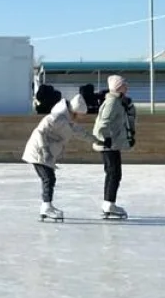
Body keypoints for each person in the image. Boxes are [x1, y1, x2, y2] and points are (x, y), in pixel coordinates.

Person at [23, 94, 102, 221]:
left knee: (49, 179)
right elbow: (39, 131)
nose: (82, 118)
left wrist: (96, 140)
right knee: (48, 179)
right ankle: (46, 207)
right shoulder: (56, 117)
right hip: (38, 152)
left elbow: (81, 133)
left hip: (46, 153)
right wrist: (44, 150)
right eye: (81, 115)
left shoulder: (68, 121)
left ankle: (47, 206)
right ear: (75, 112)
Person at [92, 75, 133, 219]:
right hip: (108, 144)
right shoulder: (112, 102)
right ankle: (109, 203)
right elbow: (103, 122)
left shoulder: (117, 101)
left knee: (113, 173)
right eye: (124, 84)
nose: (127, 86)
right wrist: (106, 138)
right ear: (117, 87)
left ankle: (108, 203)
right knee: (114, 173)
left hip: (111, 144)